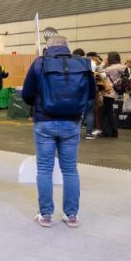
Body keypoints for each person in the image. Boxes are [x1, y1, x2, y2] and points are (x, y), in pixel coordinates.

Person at [21, 34, 94, 228]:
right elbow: (91, 94)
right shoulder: (82, 64)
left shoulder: (39, 63)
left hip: (45, 122)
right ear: (67, 47)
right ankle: (72, 216)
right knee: (70, 170)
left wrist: (38, 104)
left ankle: (45, 215)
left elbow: (27, 94)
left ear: (48, 47)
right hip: (71, 122)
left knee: (44, 169)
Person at [72, 48, 96, 137]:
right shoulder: (90, 62)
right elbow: (93, 78)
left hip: (75, 91)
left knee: (75, 112)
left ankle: (75, 132)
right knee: (89, 112)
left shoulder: (69, 62)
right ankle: (89, 134)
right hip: (88, 90)